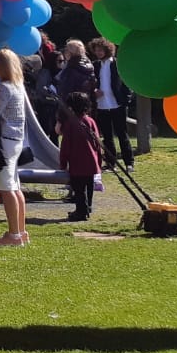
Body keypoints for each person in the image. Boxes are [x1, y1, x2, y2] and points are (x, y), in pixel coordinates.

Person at [0, 48, 29, 246]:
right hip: (16, 139)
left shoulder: (3, 89)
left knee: (6, 188)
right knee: (15, 186)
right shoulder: (18, 86)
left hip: (3, 141)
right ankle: (20, 230)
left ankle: (13, 235)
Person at [88, 36, 134, 170]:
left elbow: (127, 82)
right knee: (107, 137)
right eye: (96, 50)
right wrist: (94, 91)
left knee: (122, 134)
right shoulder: (95, 65)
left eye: (101, 50)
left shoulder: (117, 64)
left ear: (108, 50)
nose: (99, 53)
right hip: (102, 105)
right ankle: (110, 163)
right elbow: (92, 83)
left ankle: (129, 163)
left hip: (117, 104)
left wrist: (126, 99)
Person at [57, 91, 103, 221]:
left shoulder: (71, 123)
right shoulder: (91, 121)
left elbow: (66, 145)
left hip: (77, 162)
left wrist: (63, 163)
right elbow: (97, 142)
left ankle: (81, 212)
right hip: (91, 160)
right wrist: (99, 160)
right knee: (89, 186)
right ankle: (87, 208)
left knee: (79, 188)